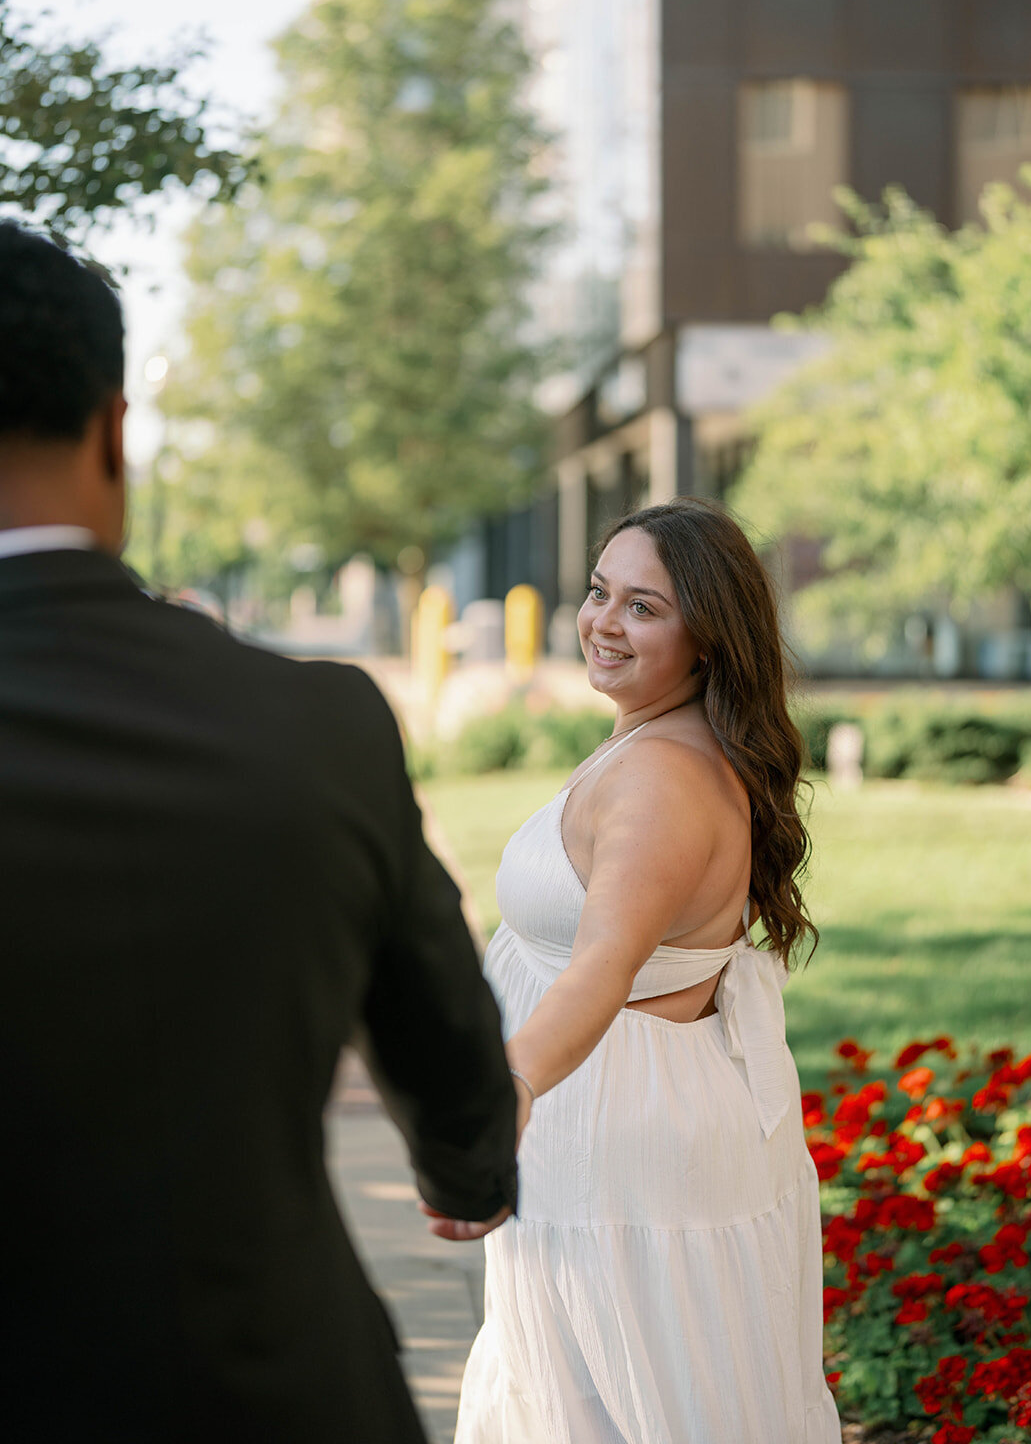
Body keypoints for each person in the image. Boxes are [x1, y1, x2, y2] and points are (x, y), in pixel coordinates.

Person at [0, 219, 517, 1444]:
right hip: (271, 1388)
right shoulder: (320, 724)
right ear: (116, 431)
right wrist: (466, 1177)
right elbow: (452, 1060)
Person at [441, 498, 842, 1443]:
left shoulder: (662, 780)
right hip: (608, 1132)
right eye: (598, 592)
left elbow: (599, 971)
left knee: (617, 1409)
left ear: (708, 637)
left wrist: (510, 1085)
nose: (602, 623)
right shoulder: (663, 739)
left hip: (611, 1148)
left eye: (643, 607)